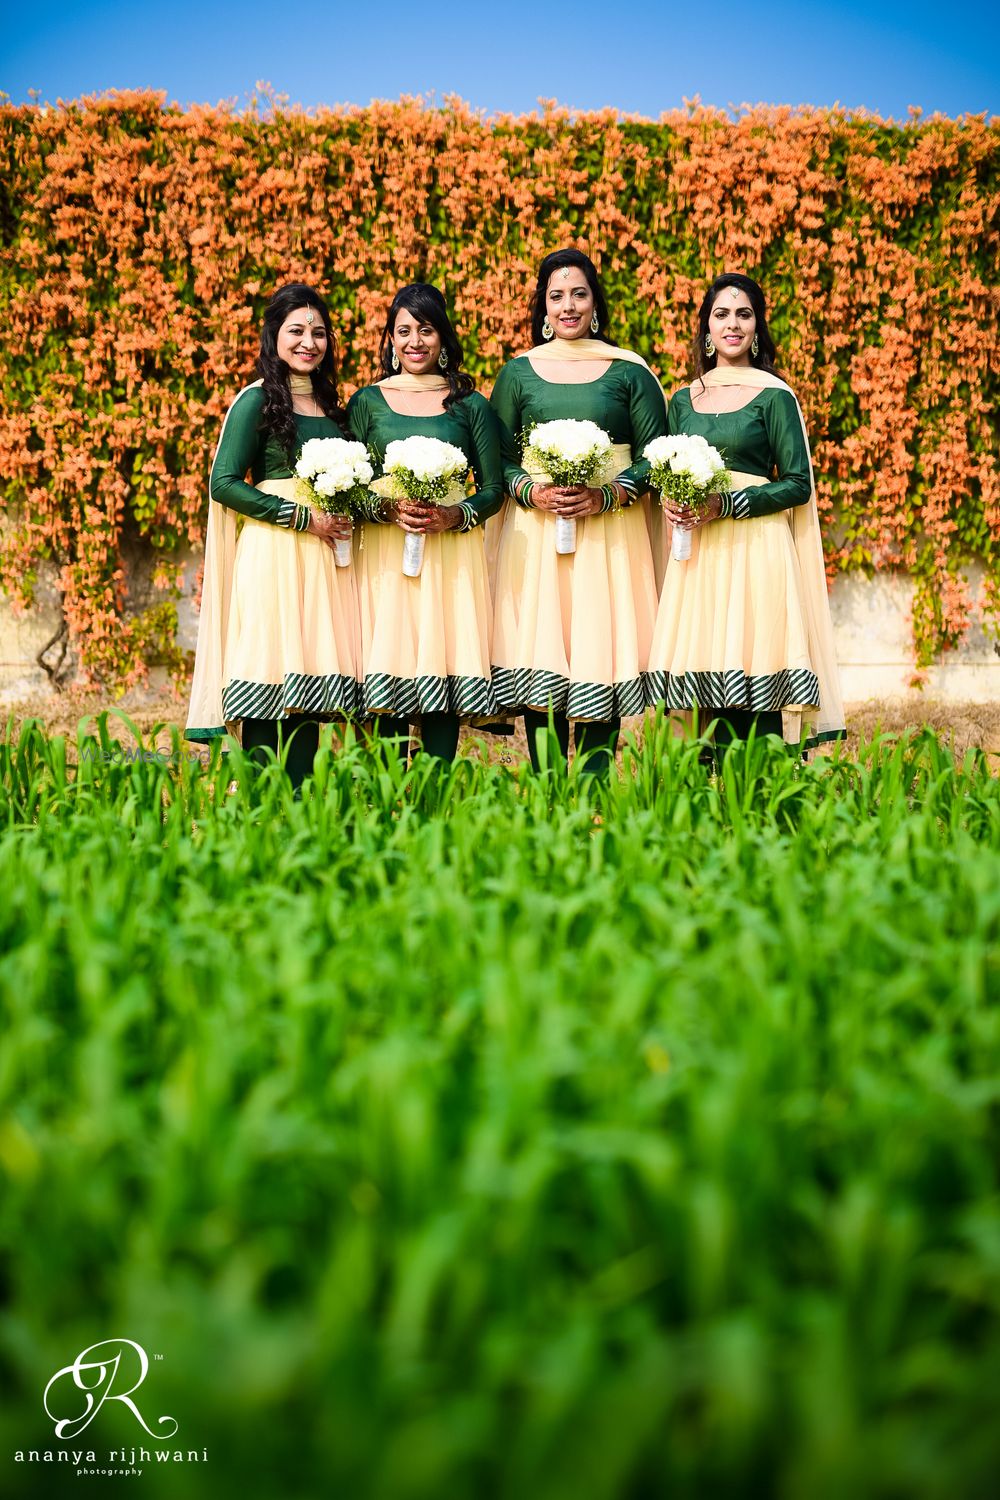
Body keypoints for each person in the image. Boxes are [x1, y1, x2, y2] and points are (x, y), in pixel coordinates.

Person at [644, 272, 844, 751]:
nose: (732, 325)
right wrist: (674, 500)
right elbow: (666, 470)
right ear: (706, 328)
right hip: (700, 552)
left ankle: (756, 794)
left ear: (757, 327)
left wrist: (726, 504)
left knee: (752, 670)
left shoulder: (775, 395)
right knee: (698, 675)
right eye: (721, 314)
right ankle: (696, 801)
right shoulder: (683, 400)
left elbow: (797, 484)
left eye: (743, 314)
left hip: (756, 548)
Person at [488, 247, 668, 778]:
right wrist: (531, 492)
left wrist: (606, 494)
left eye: (579, 294)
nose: (568, 306)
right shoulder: (518, 373)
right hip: (537, 536)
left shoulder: (629, 371)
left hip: (609, 538)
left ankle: (591, 788)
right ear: (543, 306)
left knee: (598, 651)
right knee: (543, 653)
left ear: (595, 302)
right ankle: (547, 790)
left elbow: (657, 457)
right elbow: (496, 458)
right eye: (557, 295)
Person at [186, 283, 359, 787]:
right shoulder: (256, 401)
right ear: (274, 335)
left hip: (324, 561)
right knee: (269, 670)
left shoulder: (333, 405)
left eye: (319, 333)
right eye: (297, 331)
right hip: (273, 553)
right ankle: (260, 803)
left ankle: (302, 800)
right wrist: (302, 518)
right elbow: (223, 484)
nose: (309, 342)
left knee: (307, 680)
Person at [346, 283, 503, 763]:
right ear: (390, 340)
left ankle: (435, 791)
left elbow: (494, 489)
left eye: (426, 330)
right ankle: (385, 791)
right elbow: (347, 485)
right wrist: (386, 509)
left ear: (444, 338)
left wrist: (456, 515)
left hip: (449, 556)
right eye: (404, 330)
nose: (415, 341)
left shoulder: (470, 404)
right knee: (387, 663)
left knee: (443, 665)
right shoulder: (367, 402)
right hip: (383, 554)